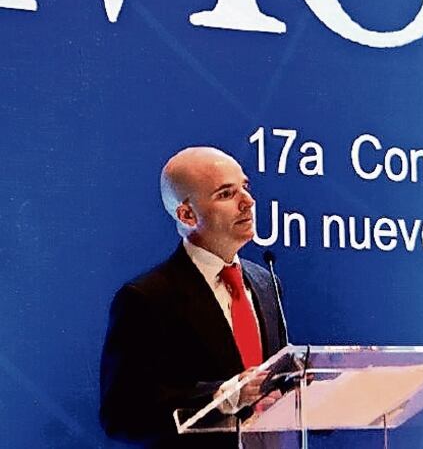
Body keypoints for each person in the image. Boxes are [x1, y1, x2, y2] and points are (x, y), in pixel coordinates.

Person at [100, 147, 287, 448]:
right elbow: (122, 416)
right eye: (226, 194)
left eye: (246, 187)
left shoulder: (266, 283)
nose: (248, 202)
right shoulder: (147, 297)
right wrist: (222, 397)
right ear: (187, 214)